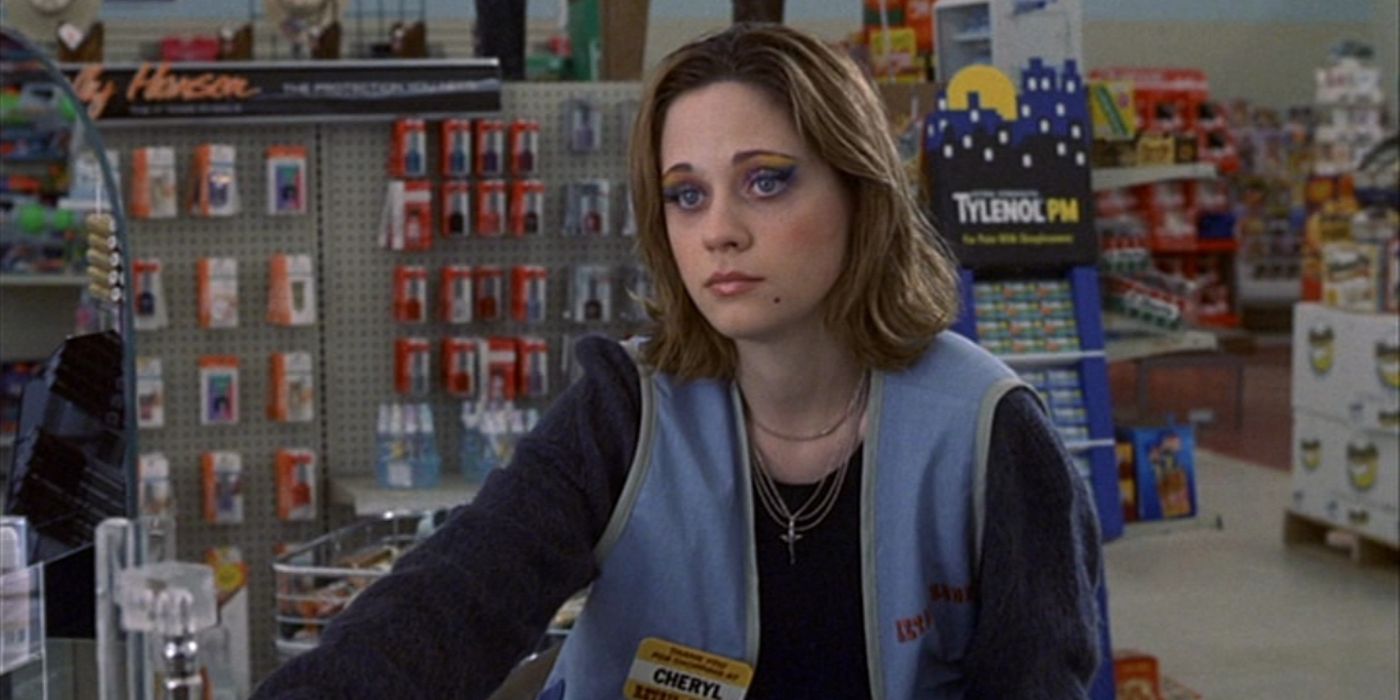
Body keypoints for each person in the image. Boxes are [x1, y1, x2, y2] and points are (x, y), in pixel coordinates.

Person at [254, 23, 1102, 700]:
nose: (718, 229)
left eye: (766, 181)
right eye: (686, 194)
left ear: (860, 191)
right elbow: (456, 601)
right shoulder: (623, 411)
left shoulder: (990, 431)